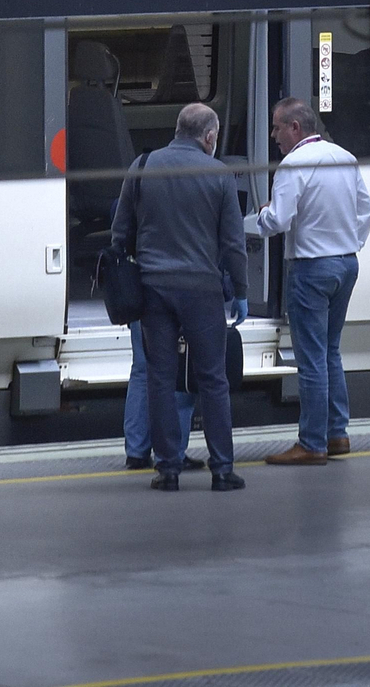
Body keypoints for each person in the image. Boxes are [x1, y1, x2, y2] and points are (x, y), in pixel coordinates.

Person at [123, 103, 248, 492]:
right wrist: (240, 290)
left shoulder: (141, 166)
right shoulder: (220, 174)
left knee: (160, 378)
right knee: (212, 379)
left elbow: (119, 230)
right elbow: (232, 243)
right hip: (201, 290)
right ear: (209, 137)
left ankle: (168, 470)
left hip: (153, 288)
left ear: (178, 129)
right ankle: (223, 470)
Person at [256, 98, 370, 466]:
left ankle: (311, 443)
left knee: (311, 361)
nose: (274, 135)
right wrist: (350, 243)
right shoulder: (344, 156)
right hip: (345, 265)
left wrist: (253, 220)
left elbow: (279, 220)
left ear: (295, 128)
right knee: (331, 352)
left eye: (277, 127)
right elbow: (366, 209)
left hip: (311, 269)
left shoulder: (292, 165)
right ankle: (337, 435)